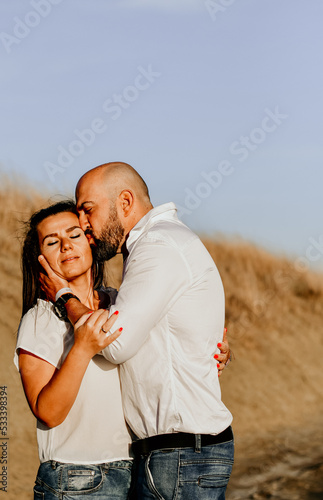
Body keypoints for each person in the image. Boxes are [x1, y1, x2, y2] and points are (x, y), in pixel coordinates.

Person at [39, 162, 234, 500]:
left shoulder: (158, 245)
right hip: (178, 453)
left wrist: (64, 295)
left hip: (180, 455)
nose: (83, 226)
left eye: (88, 210)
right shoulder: (157, 245)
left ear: (125, 202)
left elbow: (114, 344)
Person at [14, 201, 133, 499]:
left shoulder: (119, 303)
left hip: (138, 468)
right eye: (53, 242)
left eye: (75, 234)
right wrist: (81, 349)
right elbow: (48, 412)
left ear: (90, 241)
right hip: (76, 477)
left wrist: (215, 354)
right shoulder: (40, 319)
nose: (66, 246)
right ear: (40, 259)